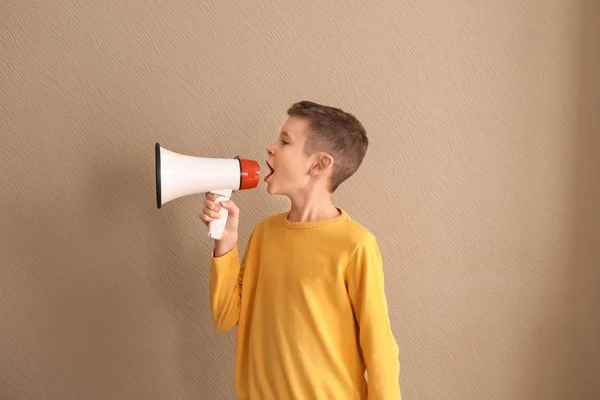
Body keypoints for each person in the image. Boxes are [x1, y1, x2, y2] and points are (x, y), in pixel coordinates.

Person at [200, 101, 401, 399]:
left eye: (284, 141)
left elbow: (380, 350)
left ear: (319, 164)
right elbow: (226, 315)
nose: (270, 148)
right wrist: (226, 240)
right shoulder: (265, 234)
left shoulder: (356, 245)